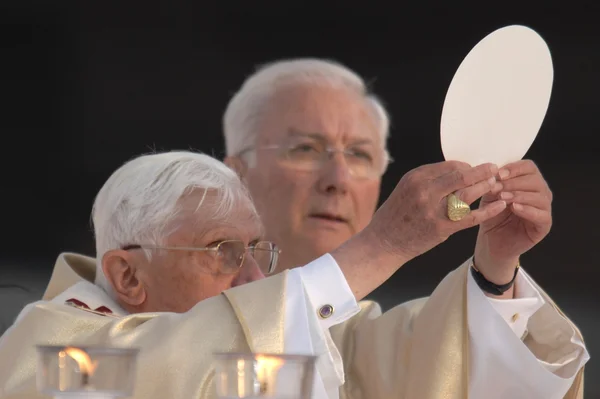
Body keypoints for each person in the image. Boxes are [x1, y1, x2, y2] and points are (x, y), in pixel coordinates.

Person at [0, 150, 520, 399]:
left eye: (258, 251)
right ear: (129, 277)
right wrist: (382, 245)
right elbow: (167, 364)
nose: (253, 277)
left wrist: (497, 266)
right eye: (223, 252)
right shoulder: (49, 355)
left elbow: (407, 365)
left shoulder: (287, 333)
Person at [222, 58, 589, 398]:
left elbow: (453, 374)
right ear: (237, 174)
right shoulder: (183, 306)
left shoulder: (366, 344)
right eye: (305, 149)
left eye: (360, 155)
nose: (338, 179)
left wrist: (496, 267)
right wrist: (383, 245)